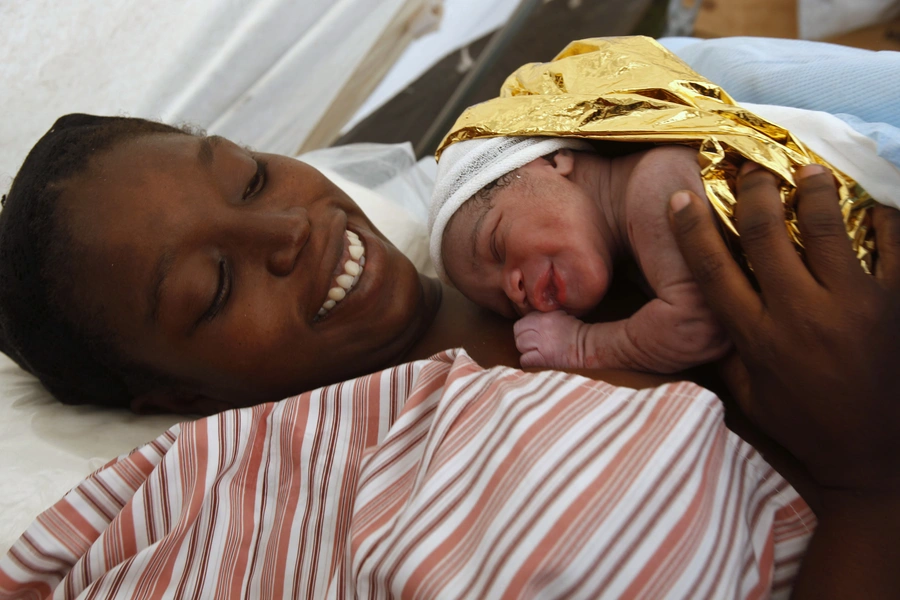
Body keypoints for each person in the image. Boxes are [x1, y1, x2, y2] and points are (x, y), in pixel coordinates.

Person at [0, 114, 675, 416]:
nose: (289, 228)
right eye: (216, 286)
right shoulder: (434, 482)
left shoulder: (565, 207)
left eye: (253, 178)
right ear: (187, 398)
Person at [431, 136, 732, 373]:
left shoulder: (657, 181)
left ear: (553, 162)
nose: (515, 290)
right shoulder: (627, 256)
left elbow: (699, 324)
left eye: (496, 245)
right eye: (508, 306)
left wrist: (581, 346)